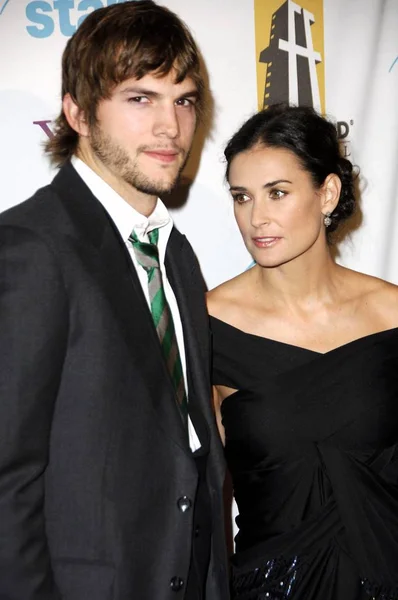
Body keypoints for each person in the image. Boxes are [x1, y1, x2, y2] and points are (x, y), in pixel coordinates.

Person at [0, 2, 229, 599]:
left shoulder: (176, 256)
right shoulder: (31, 247)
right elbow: (7, 479)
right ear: (77, 113)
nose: (170, 128)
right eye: (139, 98)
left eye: (183, 99)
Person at [207, 103, 398, 600]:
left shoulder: (392, 315)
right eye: (241, 197)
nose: (256, 218)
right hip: (267, 587)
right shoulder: (207, 326)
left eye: (278, 193)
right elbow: (199, 497)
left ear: (327, 192)